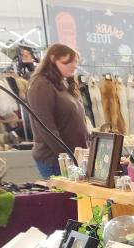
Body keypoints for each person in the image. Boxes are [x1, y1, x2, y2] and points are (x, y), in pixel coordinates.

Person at [26, 44, 89, 178]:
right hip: (56, 160)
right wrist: (67, 156)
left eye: (75, 61)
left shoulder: (64, 83)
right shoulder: (42, 85)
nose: (73, 65)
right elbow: (46, 128)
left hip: (74, 157)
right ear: (53, 59)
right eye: (67, 62)